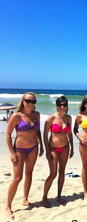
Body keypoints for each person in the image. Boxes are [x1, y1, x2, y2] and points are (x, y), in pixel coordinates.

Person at [5, 92, 44, 220]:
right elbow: (8, 135)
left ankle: (25, 198)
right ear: (23, 101)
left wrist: (41, 145)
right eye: (28, 101)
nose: (31, 104)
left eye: (33, 101)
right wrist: (12, 152)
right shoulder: (16, 116)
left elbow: (37, 131)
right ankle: (8, 206)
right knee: (17, 178)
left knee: (29, 173)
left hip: (33, 148)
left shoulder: (36, 115)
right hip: (19, 150)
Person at [42, 96, 73, 207]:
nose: (62, 107)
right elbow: (45, 135)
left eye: (64, 105)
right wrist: (46, 150)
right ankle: (44, 197)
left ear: (67, 106)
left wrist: (72, 147)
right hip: (53, 148)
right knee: (53, 173)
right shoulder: (51, 118)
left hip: (65, 147)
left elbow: (69, 134)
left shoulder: (68, 118)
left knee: (62, 172)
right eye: (60, 105)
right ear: (56, 106)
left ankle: (59, 196)